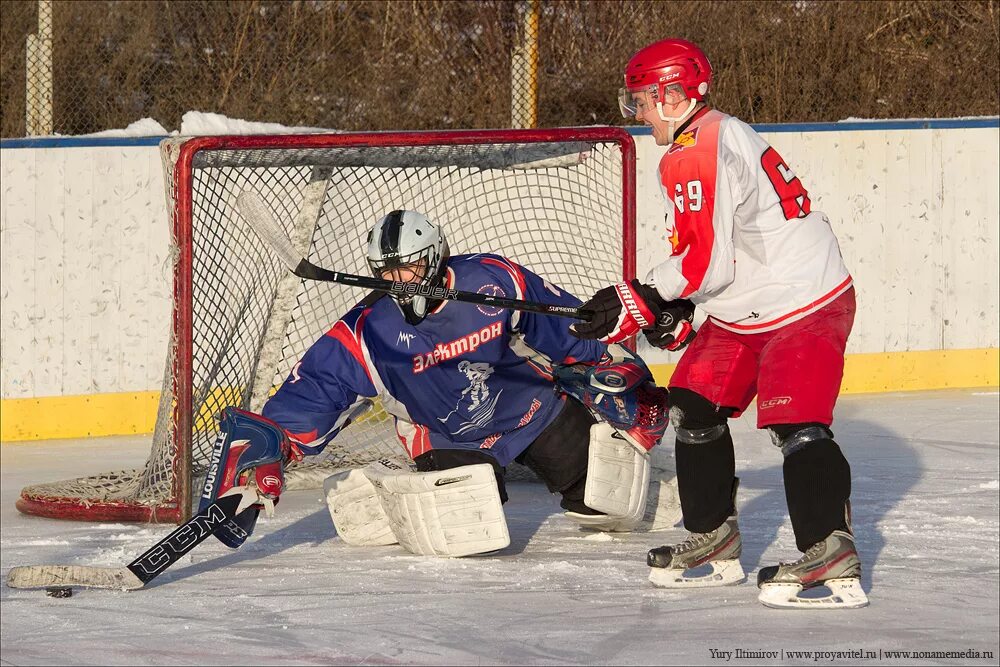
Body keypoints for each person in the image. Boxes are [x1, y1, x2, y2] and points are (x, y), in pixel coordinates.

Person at [569, 38, 867, 609]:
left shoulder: (695, 149)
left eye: (642, 101)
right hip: (745, 305)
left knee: (797, 423)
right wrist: (674, 303)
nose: (636, 114)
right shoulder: (708, 135)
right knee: (694, 405)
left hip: (803, 301)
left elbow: (707, 262)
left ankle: (829, 547)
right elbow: (715, 252)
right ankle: (713, 537)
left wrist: (641, 295)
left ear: (674, 94)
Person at [199, 210, 686, 558]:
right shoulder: (368, 329)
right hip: (447, 433)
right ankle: (394, 487)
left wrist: (613, 362)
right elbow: (319, 386)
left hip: (533, 410)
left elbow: (564, 332)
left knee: (604, 504)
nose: (400, 280)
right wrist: (274, 445)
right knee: (469, 530)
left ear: (434, 259)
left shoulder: (494, 283)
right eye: (388, 271)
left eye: (409, 267)